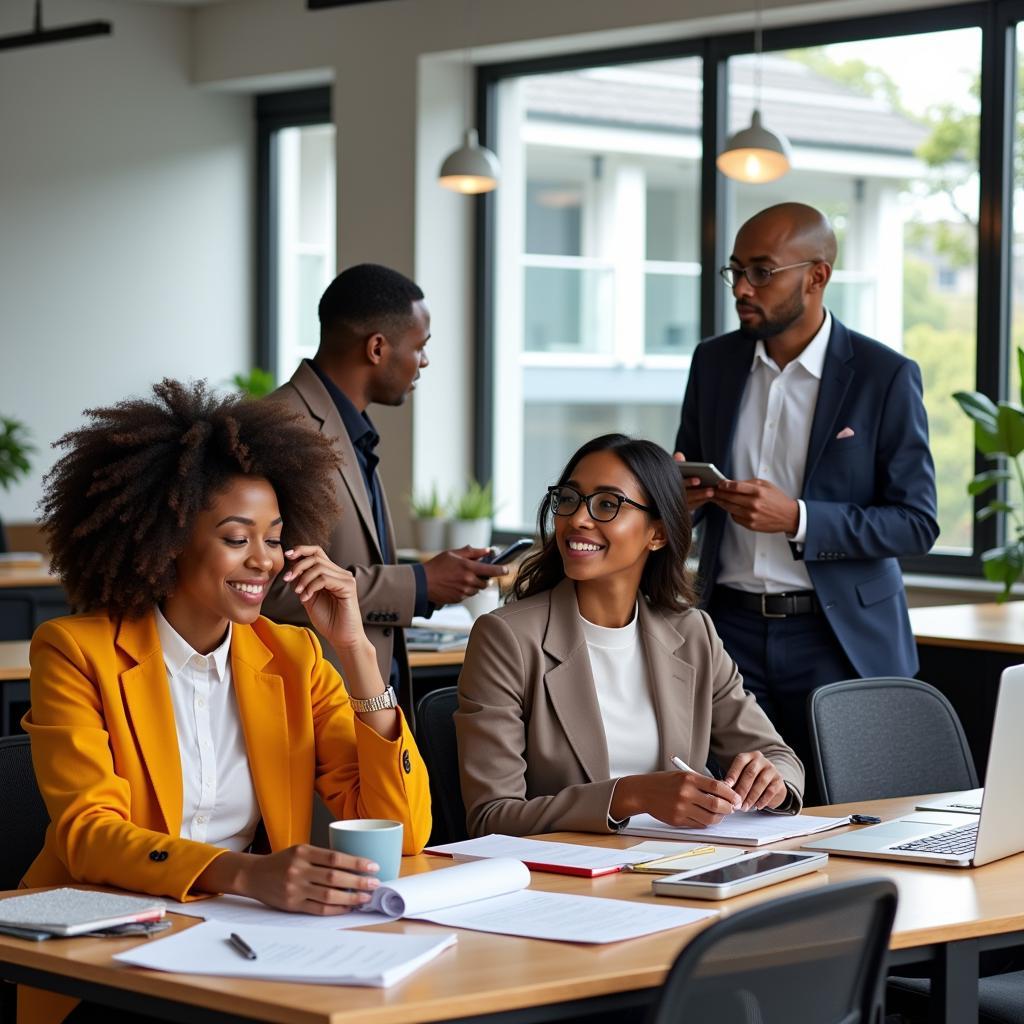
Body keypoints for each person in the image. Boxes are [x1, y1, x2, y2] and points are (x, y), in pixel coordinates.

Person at [21, 380, 431, 1024]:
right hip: (105, 951)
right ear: (170, 539)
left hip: (240, 947)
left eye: (274, 538)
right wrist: (244, 874)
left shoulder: (292, 656)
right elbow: (88, 837)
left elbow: (402, 830)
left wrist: (354, 649)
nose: (263, 561)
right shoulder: (76, 650)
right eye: (238, 538)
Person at [675, 202, 939, 785]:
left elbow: (916, 522)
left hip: (837, 636)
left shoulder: (883, 375)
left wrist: (798, 518)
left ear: (816, 276)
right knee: (736, 812)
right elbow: (685, 486)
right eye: (735, 270)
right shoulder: (713, 363)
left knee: (851, 808)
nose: (742, 288)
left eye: (762, 272)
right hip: (729, 632)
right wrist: (680, 501)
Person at [455, 434, 803, 838]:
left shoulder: (692, 633)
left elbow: (780, 757)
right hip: (571, 880)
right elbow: (490, 816)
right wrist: (629, 796)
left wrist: (771, 779)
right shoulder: (507, 638)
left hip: (684, 864)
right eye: (569, 498)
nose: (578, 519)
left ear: (657, 534)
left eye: (607, 504)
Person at [263, 263, 507, 702]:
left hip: (362, 699)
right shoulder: (281, 428)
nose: (425, 361)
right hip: (313, 702)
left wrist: (427, 582)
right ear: (377, 347)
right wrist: (417, 583)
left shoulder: (349, 428)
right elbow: (272, 585)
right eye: (421, 346)